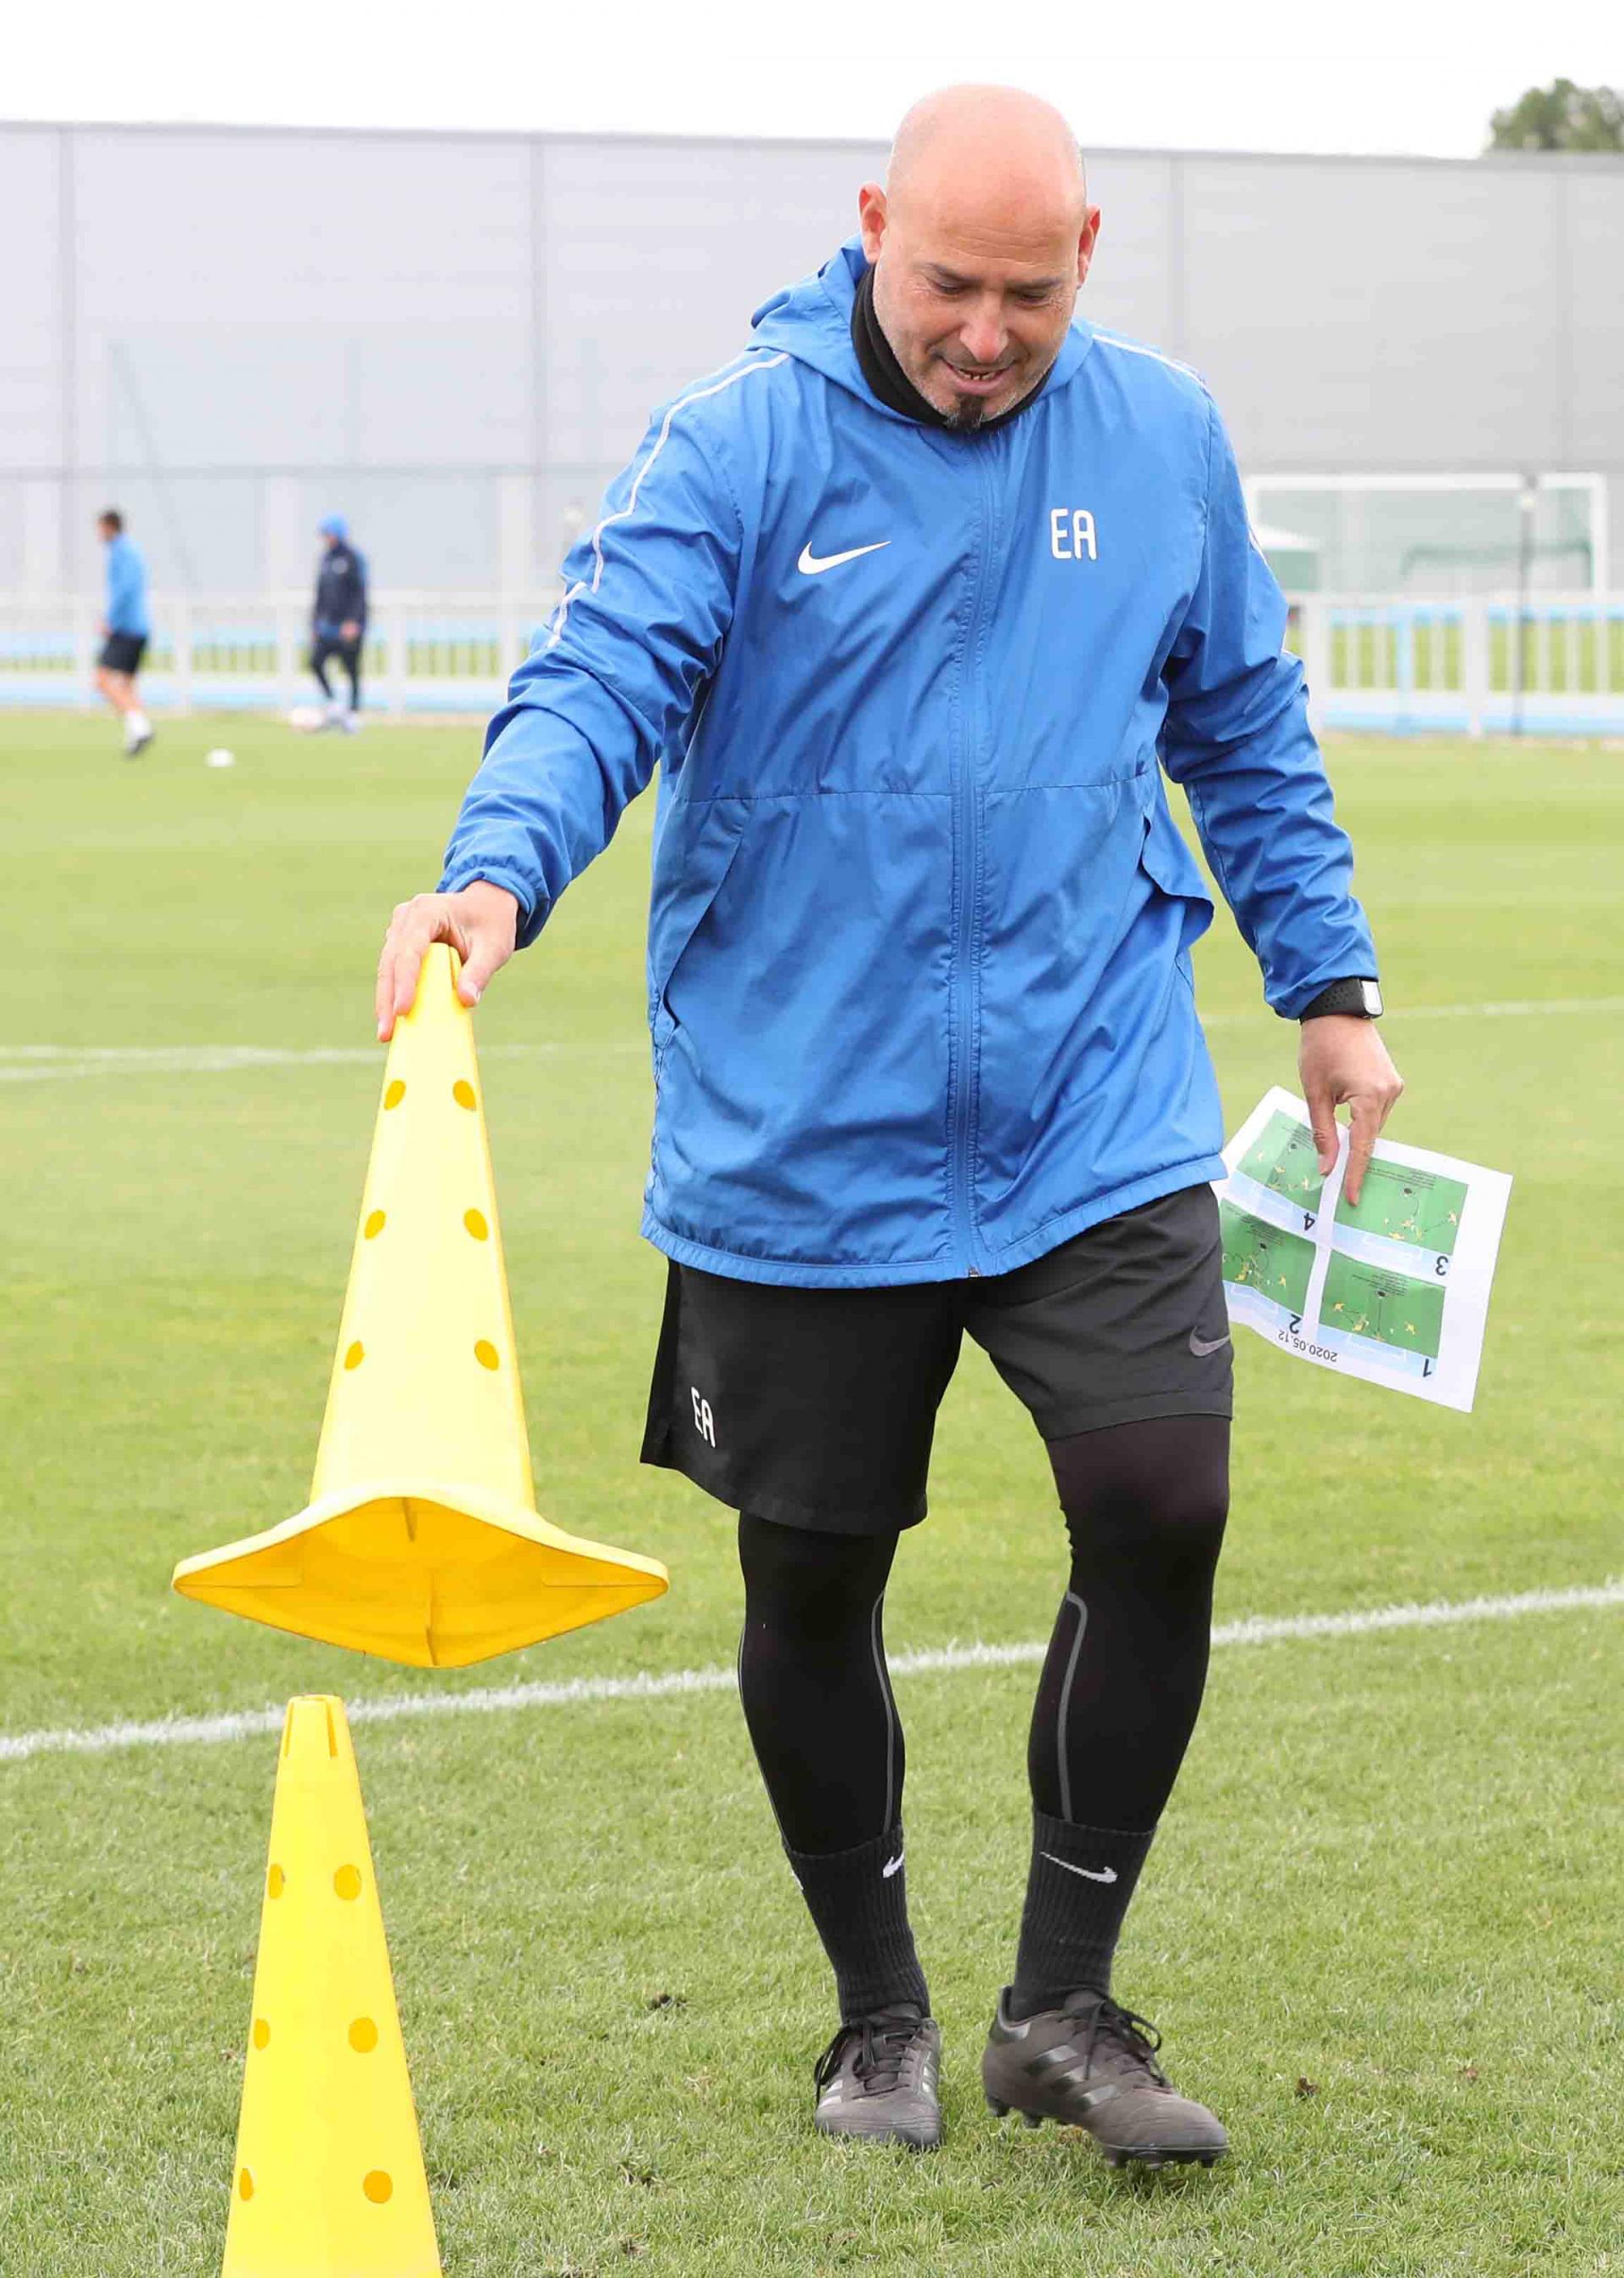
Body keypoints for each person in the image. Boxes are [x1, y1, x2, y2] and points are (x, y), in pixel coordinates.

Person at [376, 85, 1402, 2168]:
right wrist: (495, 871)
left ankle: (1062, 2007)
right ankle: (878, 2015)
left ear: (1086, 257)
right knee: (813, 1574)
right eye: (947, 285)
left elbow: (1241, 723)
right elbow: (600, 678)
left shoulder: (1161, 436)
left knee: (1163, 1497)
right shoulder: (735, 443)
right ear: (869, 227)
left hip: (1089, 1096)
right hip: (802, 1121)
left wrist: (1330, 984)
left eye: (1029, 293)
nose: (985, 335)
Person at [95, 510, 153, 757]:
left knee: (101, 680)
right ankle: (135, 735)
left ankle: (141, 727)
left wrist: (110, 619)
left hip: (127, 628)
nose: (98, 534)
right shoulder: (130, 550)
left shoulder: (122, 551)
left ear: (110, 527)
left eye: (100, 528)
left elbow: (125, 589)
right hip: (139, 627)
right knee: (127, 686)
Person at [310, 515, 367, 730]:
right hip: (328, 627)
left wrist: (354, 621)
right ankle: (333, 703)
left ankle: (353, 713)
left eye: (329, 533)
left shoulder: (353, 558)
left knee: (351, 668)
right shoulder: (325, 559)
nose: (326, 538)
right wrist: (314, 623)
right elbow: (320, 594)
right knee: (315, 662)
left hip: (349, 626)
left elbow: (360, 594)